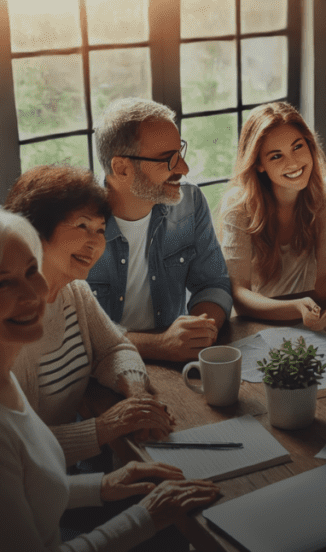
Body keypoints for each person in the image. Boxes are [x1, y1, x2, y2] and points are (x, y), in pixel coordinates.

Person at [0, 202, 220, 552]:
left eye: (31, 270)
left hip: (41, 540)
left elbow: (24, 487)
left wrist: (105, 484)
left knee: (176, 535)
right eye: (3, 282)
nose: (35, 291)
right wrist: (148, 514)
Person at [4, 165, 173, 466]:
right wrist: (106, 427)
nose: (95, 243)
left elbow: (115, 348)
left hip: (69, 469)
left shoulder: (75, 293)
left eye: (99, 230)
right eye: (82, 226)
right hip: (30, 487)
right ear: (35, 230)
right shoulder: (8, 321)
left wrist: (135, 392)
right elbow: (17, 446)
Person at [88, 97, 233, 362]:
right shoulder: (76, 225)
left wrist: (200, 329)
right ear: (122, 169)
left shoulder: (189, 202)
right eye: (168, 160)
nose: (184, 169)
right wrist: (158, 345)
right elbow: (73, 332)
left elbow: (212, 283)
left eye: (180, 153)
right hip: (101, 372)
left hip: (178, 363)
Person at [219, 102, 326, 329]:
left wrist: (319, 312)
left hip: (312, 317)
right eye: (276, 156)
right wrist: (295, 308)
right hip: (259, 323)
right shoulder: (238, 206)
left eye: (298, 147)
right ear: (259, 164)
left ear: (310, 145)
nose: (293, 162)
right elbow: (238, 294)